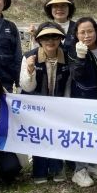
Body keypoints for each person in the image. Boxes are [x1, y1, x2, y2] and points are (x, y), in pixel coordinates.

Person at [20, 22, 69, 184]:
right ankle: (39, 170)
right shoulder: (29, 56)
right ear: (39, 40)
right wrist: (30, 70)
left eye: (54, 37)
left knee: (57, 134)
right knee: (39, 135)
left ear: (60, 39)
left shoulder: (67, 56)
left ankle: (57, 168)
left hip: (59, 104)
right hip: (36, 105)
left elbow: (69, 83)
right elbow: (26, 87)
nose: (50, 41)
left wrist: (67, 104)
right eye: (45, 37)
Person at [68, 17, 97, 187]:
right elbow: (76, 75)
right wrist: (80, 56)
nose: (87, 35)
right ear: (76, 34)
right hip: (82, 98)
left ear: (96, 31)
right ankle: (79, 170)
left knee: (96, 132)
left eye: (90, 31)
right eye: (82, 32)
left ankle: (92, 165)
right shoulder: (73, 49)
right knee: (82, 133)